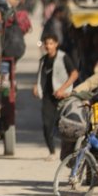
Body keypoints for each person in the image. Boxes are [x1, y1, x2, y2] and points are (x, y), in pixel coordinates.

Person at [34, 32, 79, 160]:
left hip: (63, 97)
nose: (48, 46)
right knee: (46, 124)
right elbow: (41, 75)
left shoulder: (63, 57)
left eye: (51, 43)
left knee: (66, 125)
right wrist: (36, 86)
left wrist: (63, 89)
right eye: (46, 44)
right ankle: (52, 151)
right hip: (48, 96)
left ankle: (70, 152)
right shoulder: (43, 60)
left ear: (56, 44)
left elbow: (74, 74)